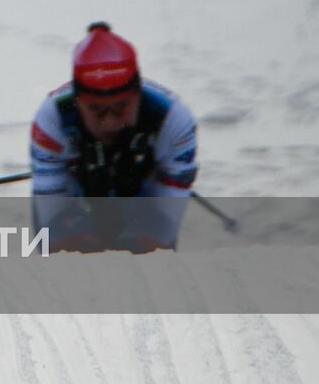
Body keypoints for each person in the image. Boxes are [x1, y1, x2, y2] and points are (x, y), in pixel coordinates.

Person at [29, 22, 199, 252]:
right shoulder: (52, 117)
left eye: (121, 108)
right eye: (96, 110)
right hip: (77, 201)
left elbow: (165, 227)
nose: (109, 122)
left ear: (138, 94)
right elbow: (52, 223)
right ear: (78, 101)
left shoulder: (173, 118)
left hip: (142, 201)